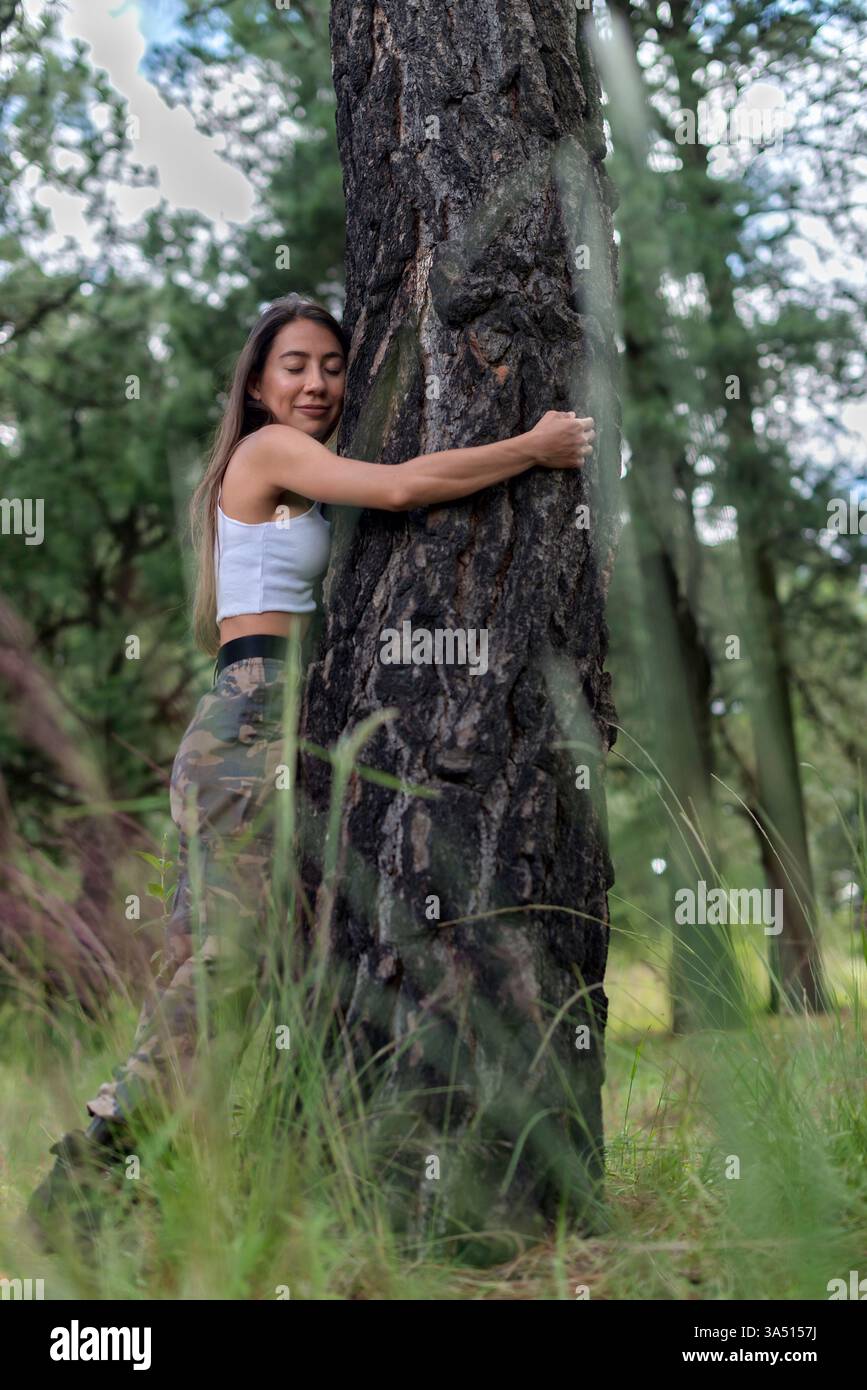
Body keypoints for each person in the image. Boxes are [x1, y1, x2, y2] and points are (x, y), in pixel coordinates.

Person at [26, 292, 595, 1250]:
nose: (318, 384)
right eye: (294, 365)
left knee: (272, 966)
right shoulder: (267, 453)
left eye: (333, 367)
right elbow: (404, 488)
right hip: (249, 719)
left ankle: (150, 1189)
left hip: (283, 724)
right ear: (255, 382)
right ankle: (89, 1171)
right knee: (227, 966)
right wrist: (532, 449)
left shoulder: (291, 463)